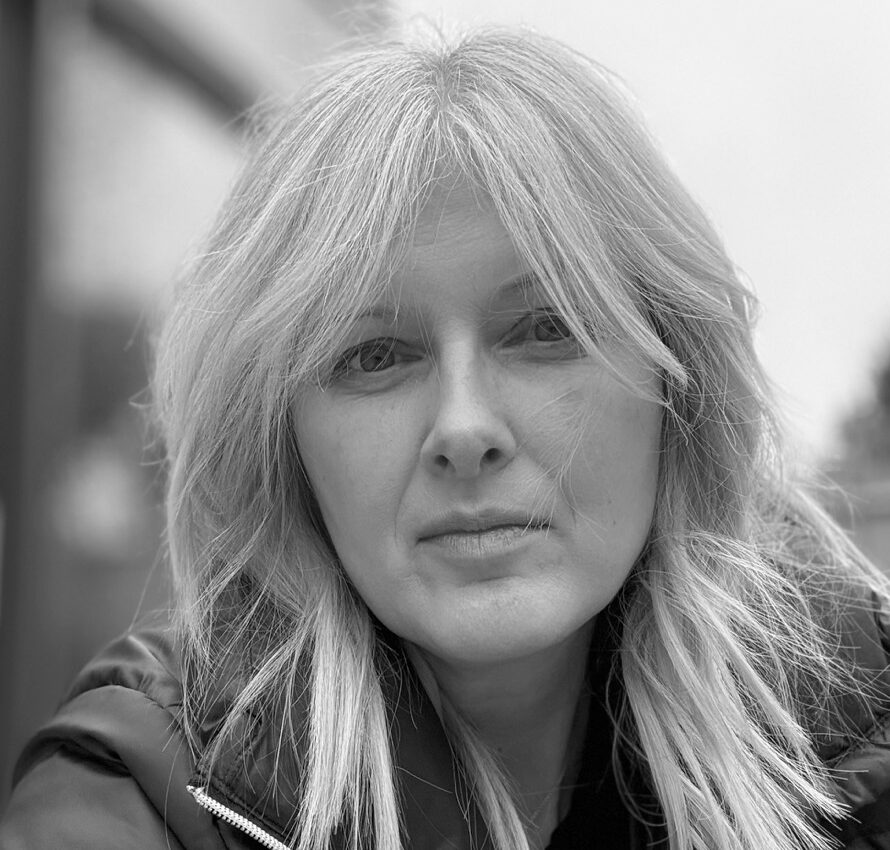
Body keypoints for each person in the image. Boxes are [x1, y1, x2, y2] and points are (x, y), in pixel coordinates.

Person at [2, 25, 889, 850]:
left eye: (547, 329)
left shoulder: (857, 726)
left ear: (675, 387)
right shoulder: (142, 793)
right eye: (375, 354)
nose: (465, 430)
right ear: (283, 440)